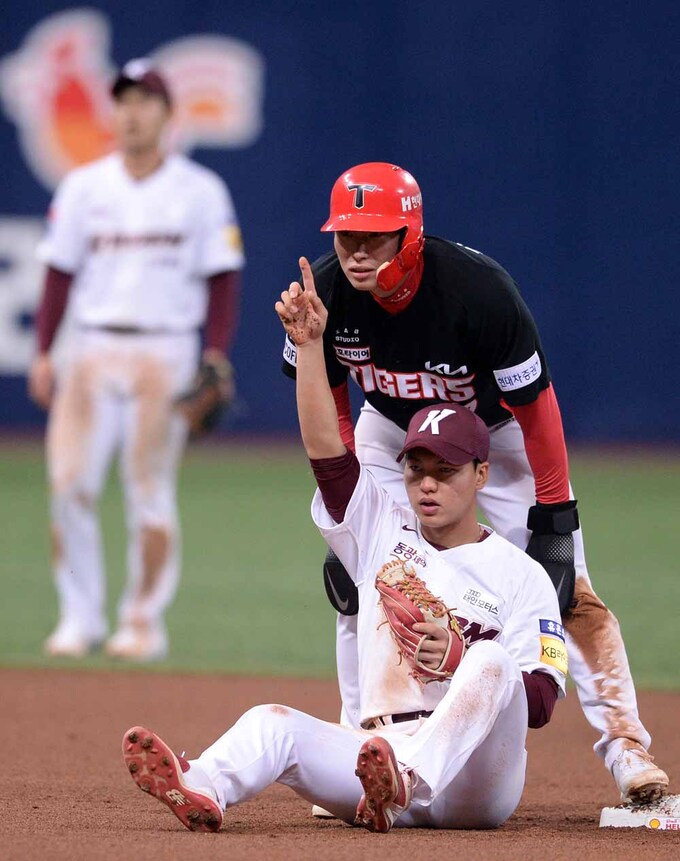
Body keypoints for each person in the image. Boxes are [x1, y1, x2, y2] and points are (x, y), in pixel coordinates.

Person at [121, 271, 566, 833]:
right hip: (374, 760)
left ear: (482, 474)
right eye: (416, 468)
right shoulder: (381, 528)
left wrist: (460, 658)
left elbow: (544, 699)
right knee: (272, 723)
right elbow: (326, 453)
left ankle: (410, 776)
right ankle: (202, 786)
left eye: (445, 471)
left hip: (476, 780)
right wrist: (310, 349)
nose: (427, 484)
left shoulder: (521, 574)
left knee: (492, 660)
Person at [281, 162, 668, 804]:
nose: (355, 251)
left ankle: (627, 750)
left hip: (498, 434)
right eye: (347, 235)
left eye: (374, 236)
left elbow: (537, 408)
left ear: (411, 233)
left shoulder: (478, 292)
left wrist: (556, 514)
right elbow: (332, 402)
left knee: (570, 592)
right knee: (364, 585)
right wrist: (352, 517)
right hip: (390, 433)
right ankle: (360, 747)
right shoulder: (323, 292)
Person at [28, 59, 244, 660]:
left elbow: (223, 279)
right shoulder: (84, 186)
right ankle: (79, 618)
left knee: (148, 488)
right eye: (122, 100)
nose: (131, 111)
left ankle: (142, 623)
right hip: (91, 346)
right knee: (69, 483)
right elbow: (58, 272)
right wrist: (44, 350)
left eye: (145, 100)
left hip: (165, 348)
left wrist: (215, 353)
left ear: (168, 113)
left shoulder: (200, 191)